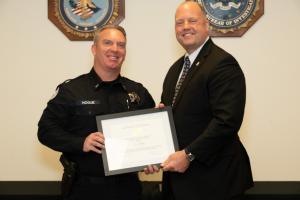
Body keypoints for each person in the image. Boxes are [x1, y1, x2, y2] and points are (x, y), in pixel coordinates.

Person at [37, 25, 155, 200]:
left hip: (128, 188)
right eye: (108, 43)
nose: (115, 49)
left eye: (121, 45)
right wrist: (81, 142)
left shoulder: (137, 92)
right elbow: (45, 131)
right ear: (94, 49)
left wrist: (152, 157)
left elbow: (151, 136)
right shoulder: (72, 90)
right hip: (84, 188)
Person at [158, 1, 253, 200]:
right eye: (179, 22)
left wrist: (189, 154)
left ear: (206, 25)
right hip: (180, 181)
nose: (185, 27)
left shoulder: (222, 63)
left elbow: (227, 121)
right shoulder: (175, 69)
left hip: (214, 181)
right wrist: (161, 118)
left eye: (192, 20)